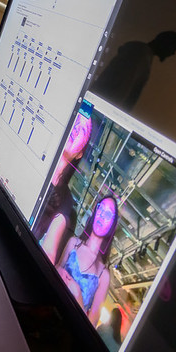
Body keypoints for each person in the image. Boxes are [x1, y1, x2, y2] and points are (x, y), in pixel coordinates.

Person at [35, 111, 93, 264]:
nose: (75, 129)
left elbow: (50, 249)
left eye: (82, 129)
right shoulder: (35, 159)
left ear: (79, 154)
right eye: (74, 122)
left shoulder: (65, 200)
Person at [56, 195, 119, 326]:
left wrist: (77, 294)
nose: (102, 216)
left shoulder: (103, 274)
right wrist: (59, 271)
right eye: (101, 209)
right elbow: (55, 268)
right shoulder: (73, 243)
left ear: (112, 225)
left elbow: (91, 324)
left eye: (108, 214)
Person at [90, 30, 176, 111]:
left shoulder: (142, 54)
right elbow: (120, 85)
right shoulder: (140, 55)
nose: (173, 53)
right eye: (174, 48)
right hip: (102, 103)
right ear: (166, 43)